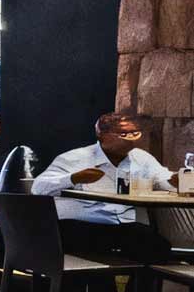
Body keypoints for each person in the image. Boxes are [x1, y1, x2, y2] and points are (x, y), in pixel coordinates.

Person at [31, 111, 174, 262]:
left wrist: (177, 180)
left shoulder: (141, 158)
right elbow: (38, 187)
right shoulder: (75, 158)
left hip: (121, 225)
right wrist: (73, 178)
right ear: (102, 135)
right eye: (124, 133)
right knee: (97, 249)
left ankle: (135, 286)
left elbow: (164, 179)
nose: (131, 139)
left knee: (158, 246)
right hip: (80, 225)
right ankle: (99, 282)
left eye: (134, 133)